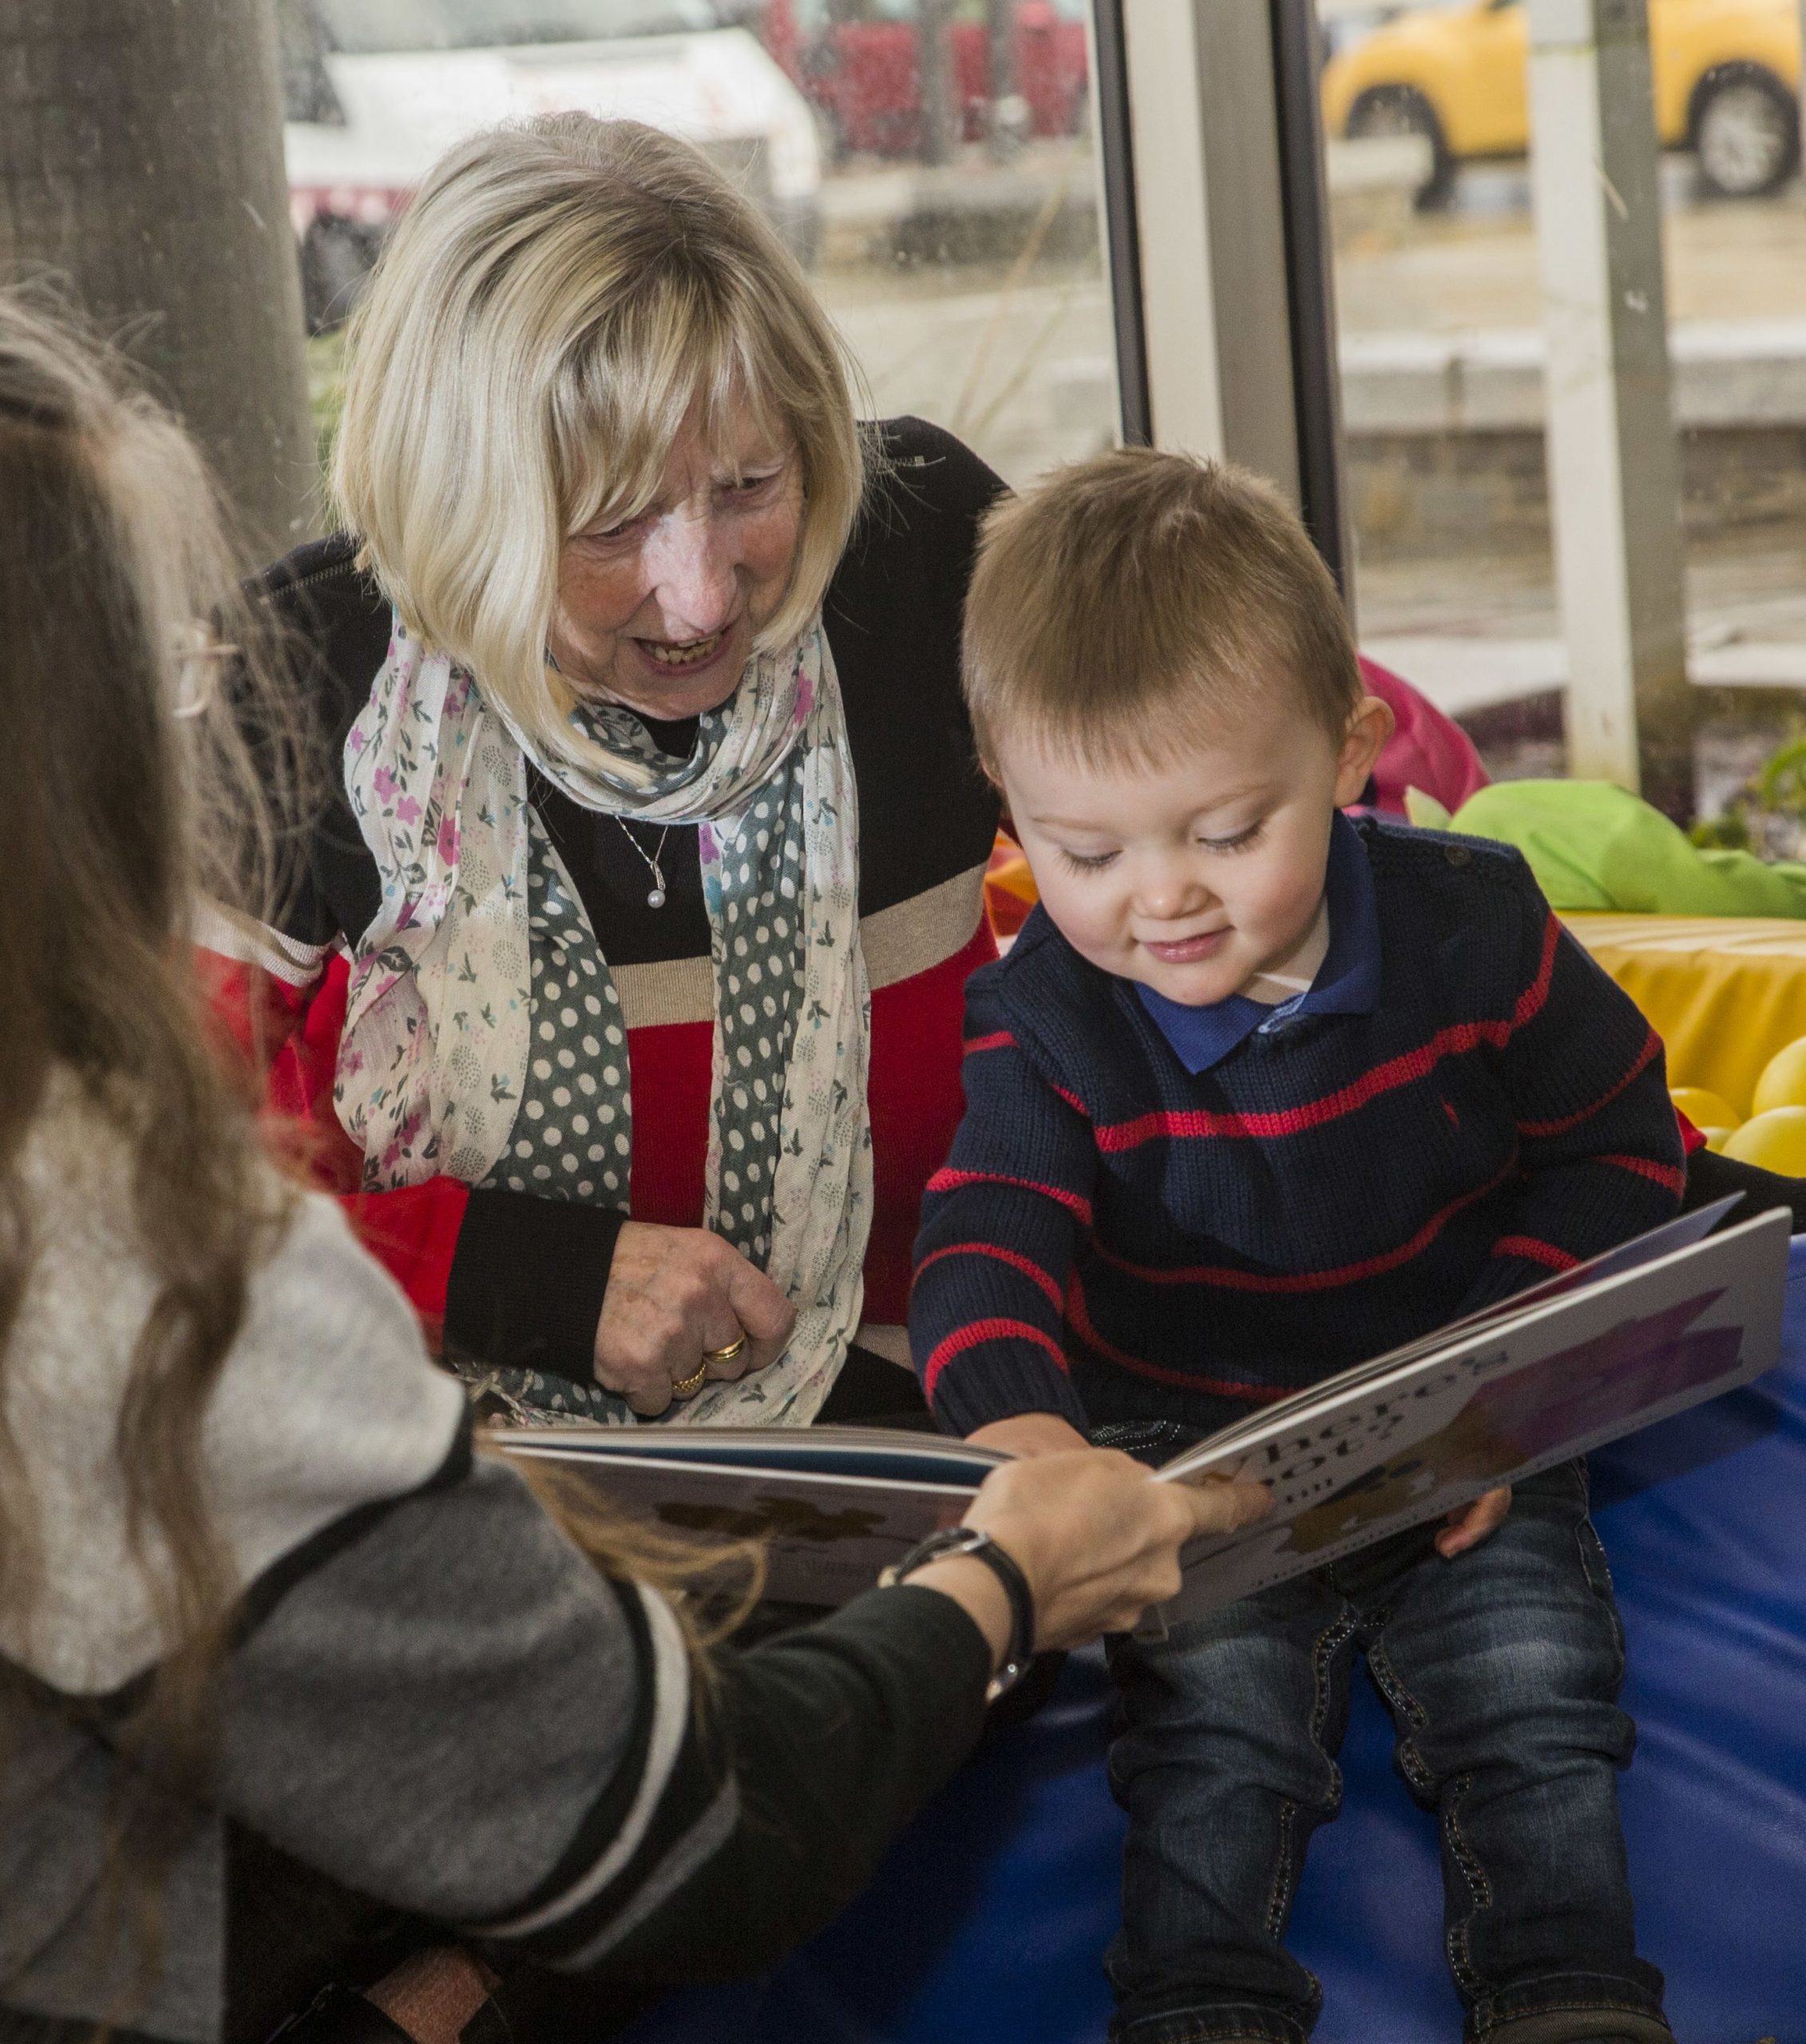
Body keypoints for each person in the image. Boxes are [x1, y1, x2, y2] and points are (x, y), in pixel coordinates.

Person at [0, 299, 1272, 2044]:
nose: (698, 591)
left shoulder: (927, 582)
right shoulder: (146, 1266)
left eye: (749, 484)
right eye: (163, 674)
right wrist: (1001, 1589)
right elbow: (691, 1831)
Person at [909, 447, 1685, 2044]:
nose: (1162, 899)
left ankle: (1570, 1992)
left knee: (1536, 1694)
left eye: (1224, 828)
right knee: (1213, 1730)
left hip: (1457, 1401)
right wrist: (1039, 1445)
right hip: (1189, 1453)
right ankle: (1200, 2005)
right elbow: (985, 1237)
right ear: (1010, 800)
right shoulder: (1048, 1008)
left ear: (1349, 751)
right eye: (1089, 849)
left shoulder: (1474, 925)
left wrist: (1504, 1372)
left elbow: (1626, 1143)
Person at [201, 112, 1012, 1432]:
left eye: (752, 481)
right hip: (456, 1459)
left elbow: (1227, 878)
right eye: (607, 522)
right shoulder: (293, 683)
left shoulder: (927, 553)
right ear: (456, 499)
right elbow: (131, 1199)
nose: (698, 600)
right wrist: (520, 1281)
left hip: (953, 1400)